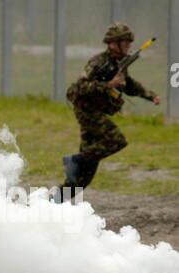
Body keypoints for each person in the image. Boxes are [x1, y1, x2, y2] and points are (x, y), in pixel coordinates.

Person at [59, 22, 161, 200]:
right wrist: (108, 85)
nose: (129, 45)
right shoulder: (98, 62)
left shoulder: (119, 64)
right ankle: (77, 159)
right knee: (116, 140)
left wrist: (150, 96)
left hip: (97, 113)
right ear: (114, 43)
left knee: (82, 178)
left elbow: (129, 85)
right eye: (125, 42)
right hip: (87, 112)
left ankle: (50, 204)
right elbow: (74, 90)